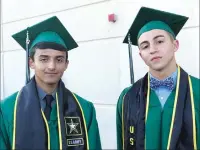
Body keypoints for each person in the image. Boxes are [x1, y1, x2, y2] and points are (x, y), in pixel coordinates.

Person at [0, 16, 102, 150]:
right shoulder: (7, 110)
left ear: (66, 64)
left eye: (59, 60)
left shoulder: (85, 110)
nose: (52, 66)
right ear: (31, 62)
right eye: (44, 59)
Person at [116, 7, 199, 150]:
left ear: (175, 45)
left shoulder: (197, 91)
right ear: (141, 54)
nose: (153, 49)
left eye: (159, 41)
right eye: (145, 46)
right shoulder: (127, 98)